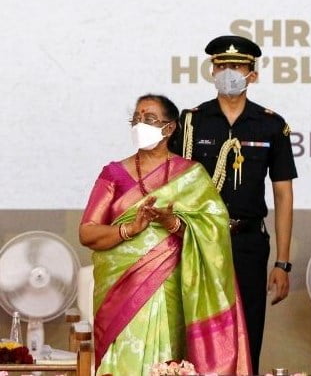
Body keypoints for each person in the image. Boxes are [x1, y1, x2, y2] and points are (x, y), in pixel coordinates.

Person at [80, 94, 251, 376]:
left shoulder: (192, 175)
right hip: (120, 292)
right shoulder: (113, 174)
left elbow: (214, 232)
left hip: (170, 288)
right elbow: (87, 232)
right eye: (136, 118)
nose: (140, 125)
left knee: (165, 363)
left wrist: (172, 223)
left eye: (149, 119)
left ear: (169, 128)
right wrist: (129, 229)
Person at [171, 35, 297, 374]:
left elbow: (283, 195)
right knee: (198, 327)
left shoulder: (271, 124)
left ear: (252, 74)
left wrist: (283, 263)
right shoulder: (191, 122)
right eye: (222, 65)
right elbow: (173, 185)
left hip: (247, 241)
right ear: (212, 71)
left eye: (238, 67)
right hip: (199, 241)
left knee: (248, 330)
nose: (229, 72)